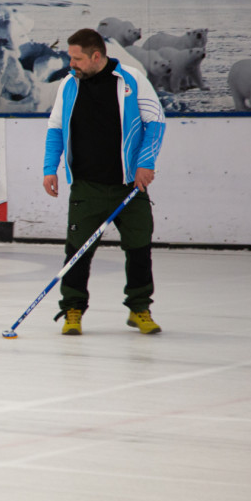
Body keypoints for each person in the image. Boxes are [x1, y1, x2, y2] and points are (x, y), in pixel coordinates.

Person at [43, 28, 166, 336]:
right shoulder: (68, 85)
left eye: (77, 58)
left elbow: (156, 121)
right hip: (86, 187)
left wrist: (145, 163)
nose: (71, 64)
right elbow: (55, 128)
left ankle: (139, 309)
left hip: (129, 186)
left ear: (96, 56)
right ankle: (72, 309)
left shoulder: (131, 79)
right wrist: (50, 168)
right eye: (70, 57)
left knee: (139, 249)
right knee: (77, 252)